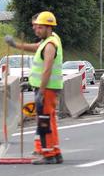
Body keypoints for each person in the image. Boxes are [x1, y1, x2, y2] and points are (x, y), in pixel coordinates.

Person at [4, 11, 63, 165]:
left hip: (47, 89)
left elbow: (47, 69)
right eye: (35, 27)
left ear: (48, 27)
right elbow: (35, 47)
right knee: (49, 120)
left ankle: (48, 154)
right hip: (48, 88)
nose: (36, 30)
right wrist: (16, 45)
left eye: (39, 27)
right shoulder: (49, 40)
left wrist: (41, 91)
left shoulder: (50, 45)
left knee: (44, 121)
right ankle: (55, 152)